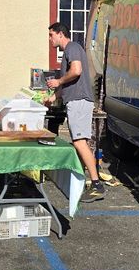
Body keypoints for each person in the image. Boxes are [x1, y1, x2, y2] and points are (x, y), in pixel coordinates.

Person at [45, 22, 105, 201]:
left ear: (60, 34)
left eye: (51, 35)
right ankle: (81, 182)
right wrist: (53, 98)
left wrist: (58, 81)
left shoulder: (72, 47)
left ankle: (96, 184)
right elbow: (67, 83)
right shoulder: (68, 53)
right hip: (76, 101)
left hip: (79, 102)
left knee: (79, 143)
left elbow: (76, 71)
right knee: (81, 143)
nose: (50, 39)